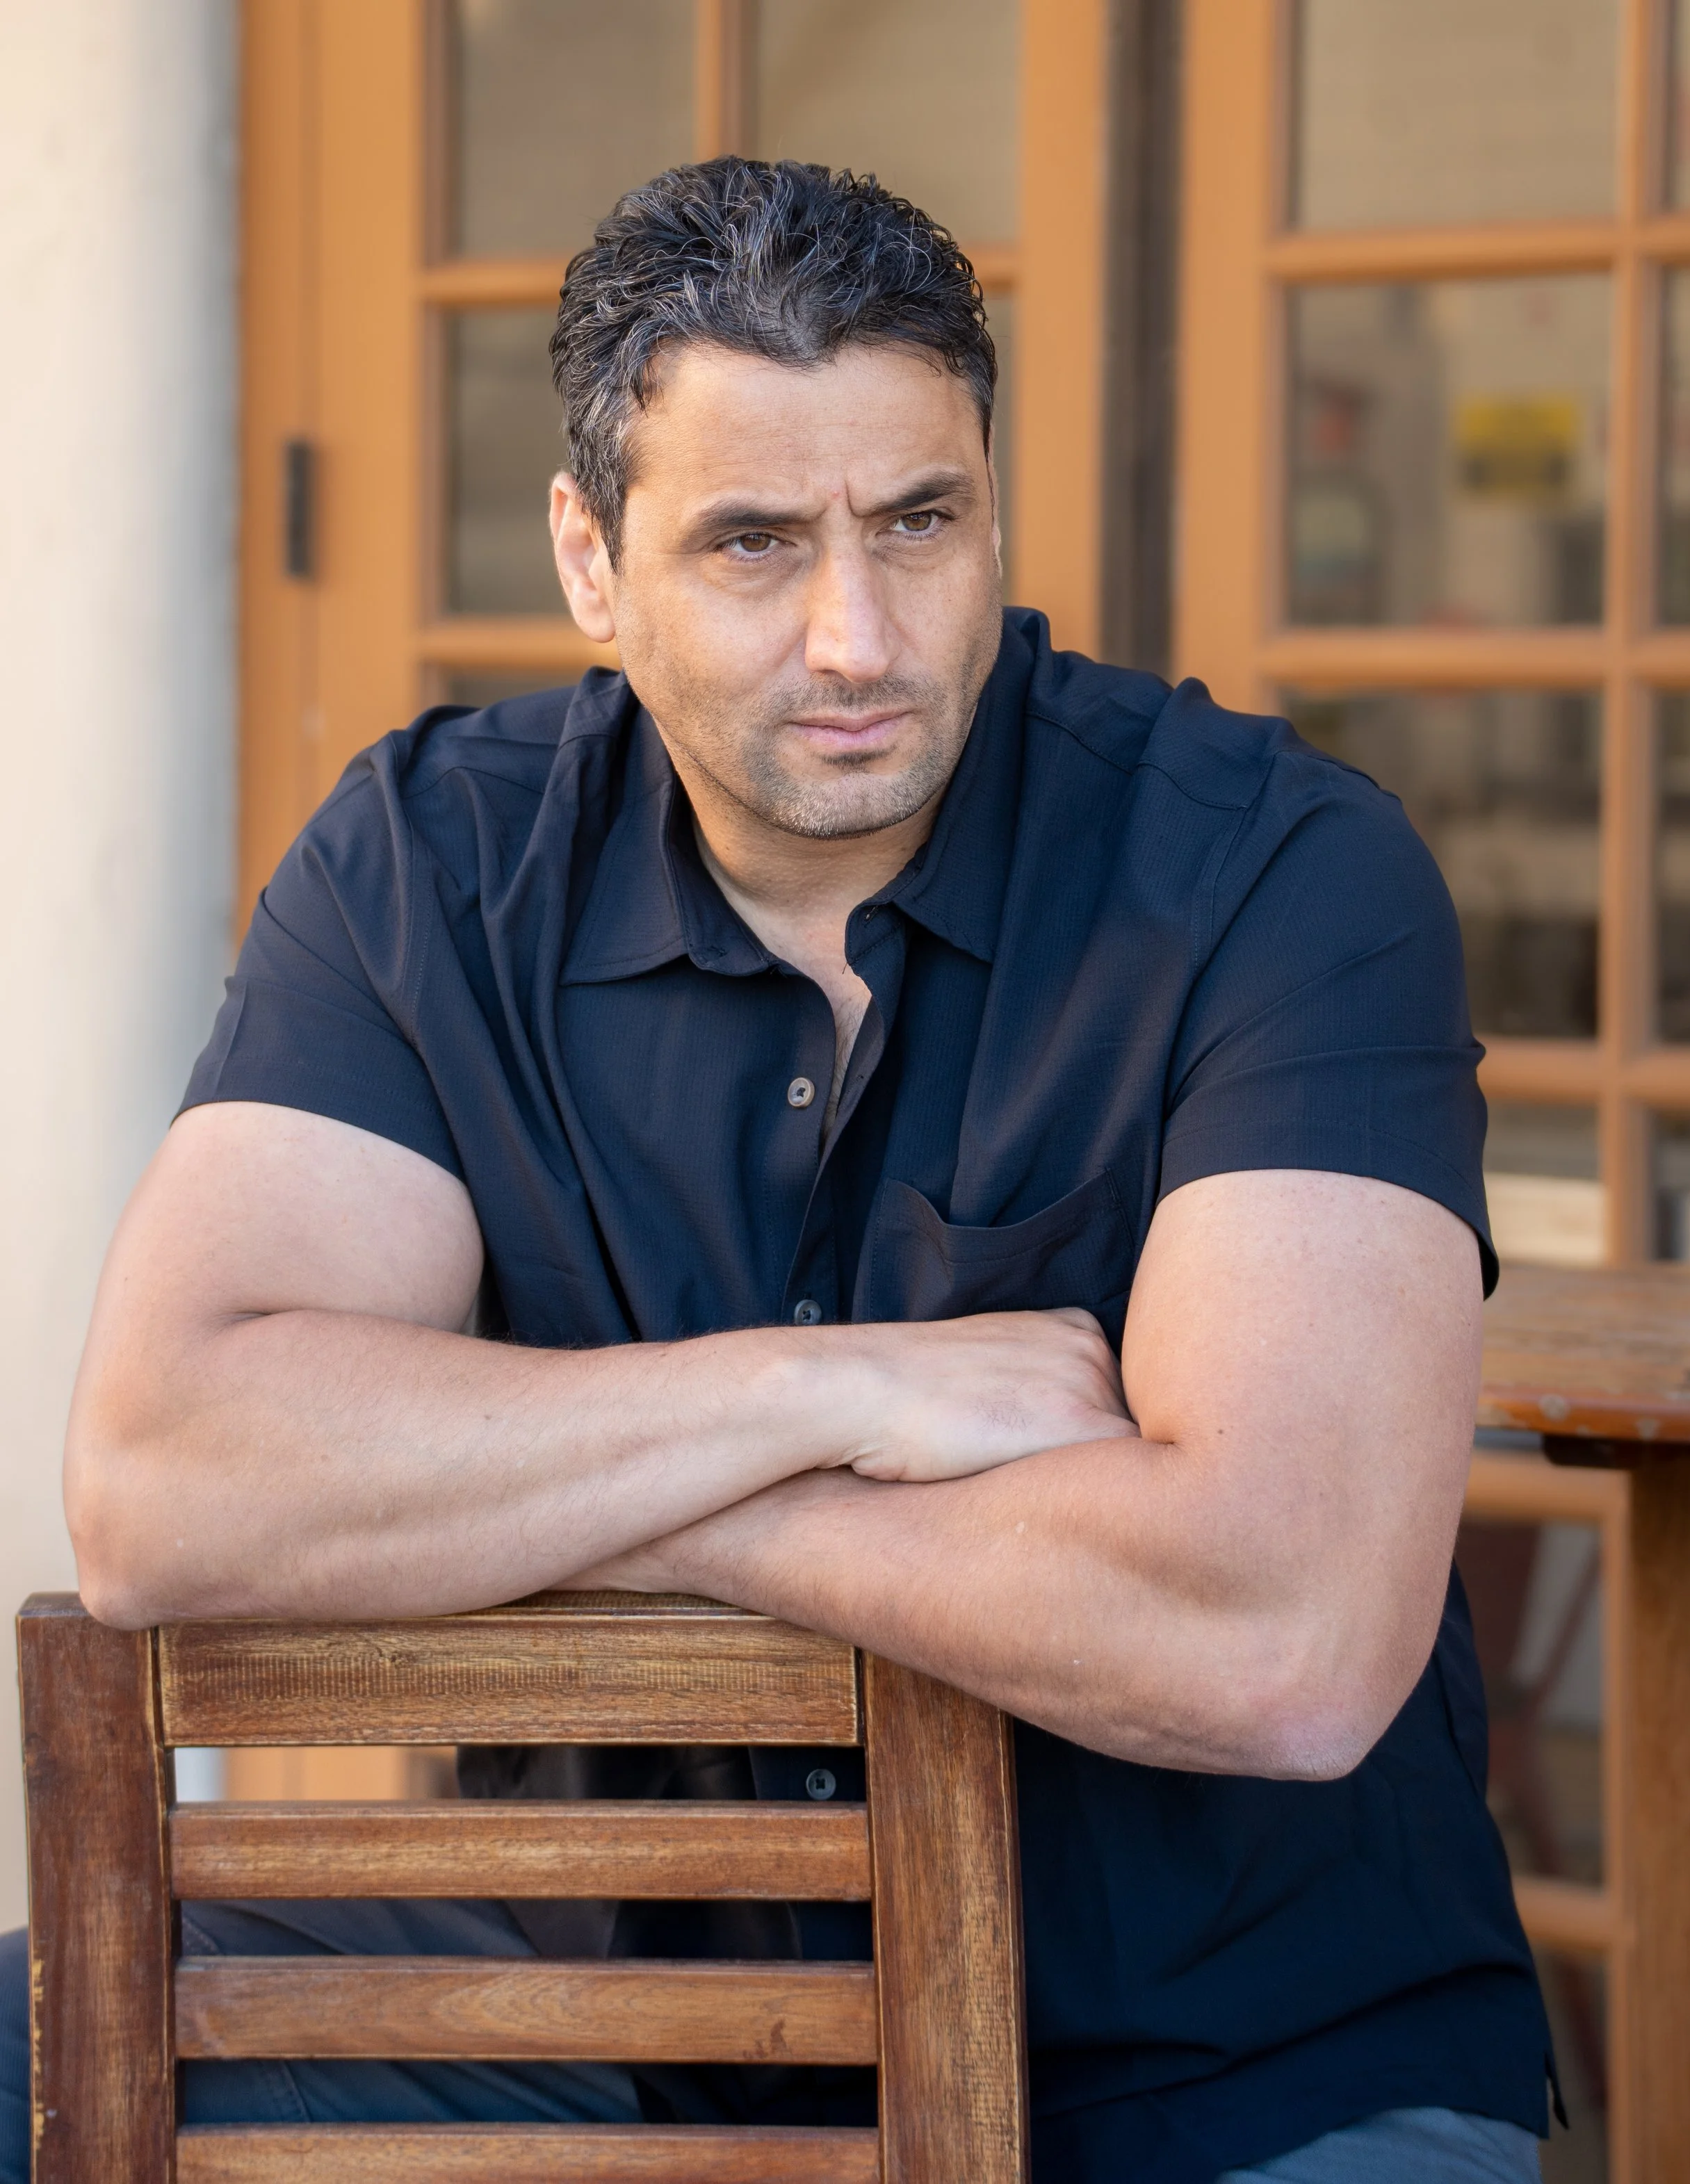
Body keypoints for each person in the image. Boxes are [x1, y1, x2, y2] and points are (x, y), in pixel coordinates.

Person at [8, 158, 1552, 2183]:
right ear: (591, 557)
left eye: (916, 523)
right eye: (750, 542)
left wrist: (645, 1500)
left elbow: (1276, 1637)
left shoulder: (1277, 874)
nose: (860, 634)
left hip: (1218, 2064)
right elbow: (164, 1482)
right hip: (578, 2029)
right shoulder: (429, 865)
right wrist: (830, 1395)